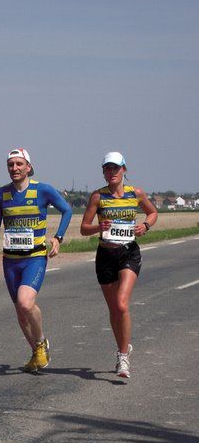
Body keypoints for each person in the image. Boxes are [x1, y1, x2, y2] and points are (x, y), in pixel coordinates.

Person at [0, 148, 72, 372]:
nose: (14, 168)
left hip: (35, 257)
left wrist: (58, 238)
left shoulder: (43, 190)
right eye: (10, 165)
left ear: (28, 167)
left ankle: (41, 342)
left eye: (19, 164)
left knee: (26, 302)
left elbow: (67, 211)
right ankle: (37, 352)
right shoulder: (0, 194)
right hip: (10, 260)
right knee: (19, 311)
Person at [80, 152, 157, 378]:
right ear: (103, 172)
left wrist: (145, 225)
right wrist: (99, 227)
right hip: (105, 255)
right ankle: (124, 346)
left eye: (115, 168)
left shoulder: (136, 193)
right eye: (107, 169)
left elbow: (152, 212)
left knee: (122, 305)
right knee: (114, 309)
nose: (111, 172)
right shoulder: (98, 197)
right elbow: (84, 228)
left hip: (128, 253)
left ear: (124, 169)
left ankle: (123, 356)